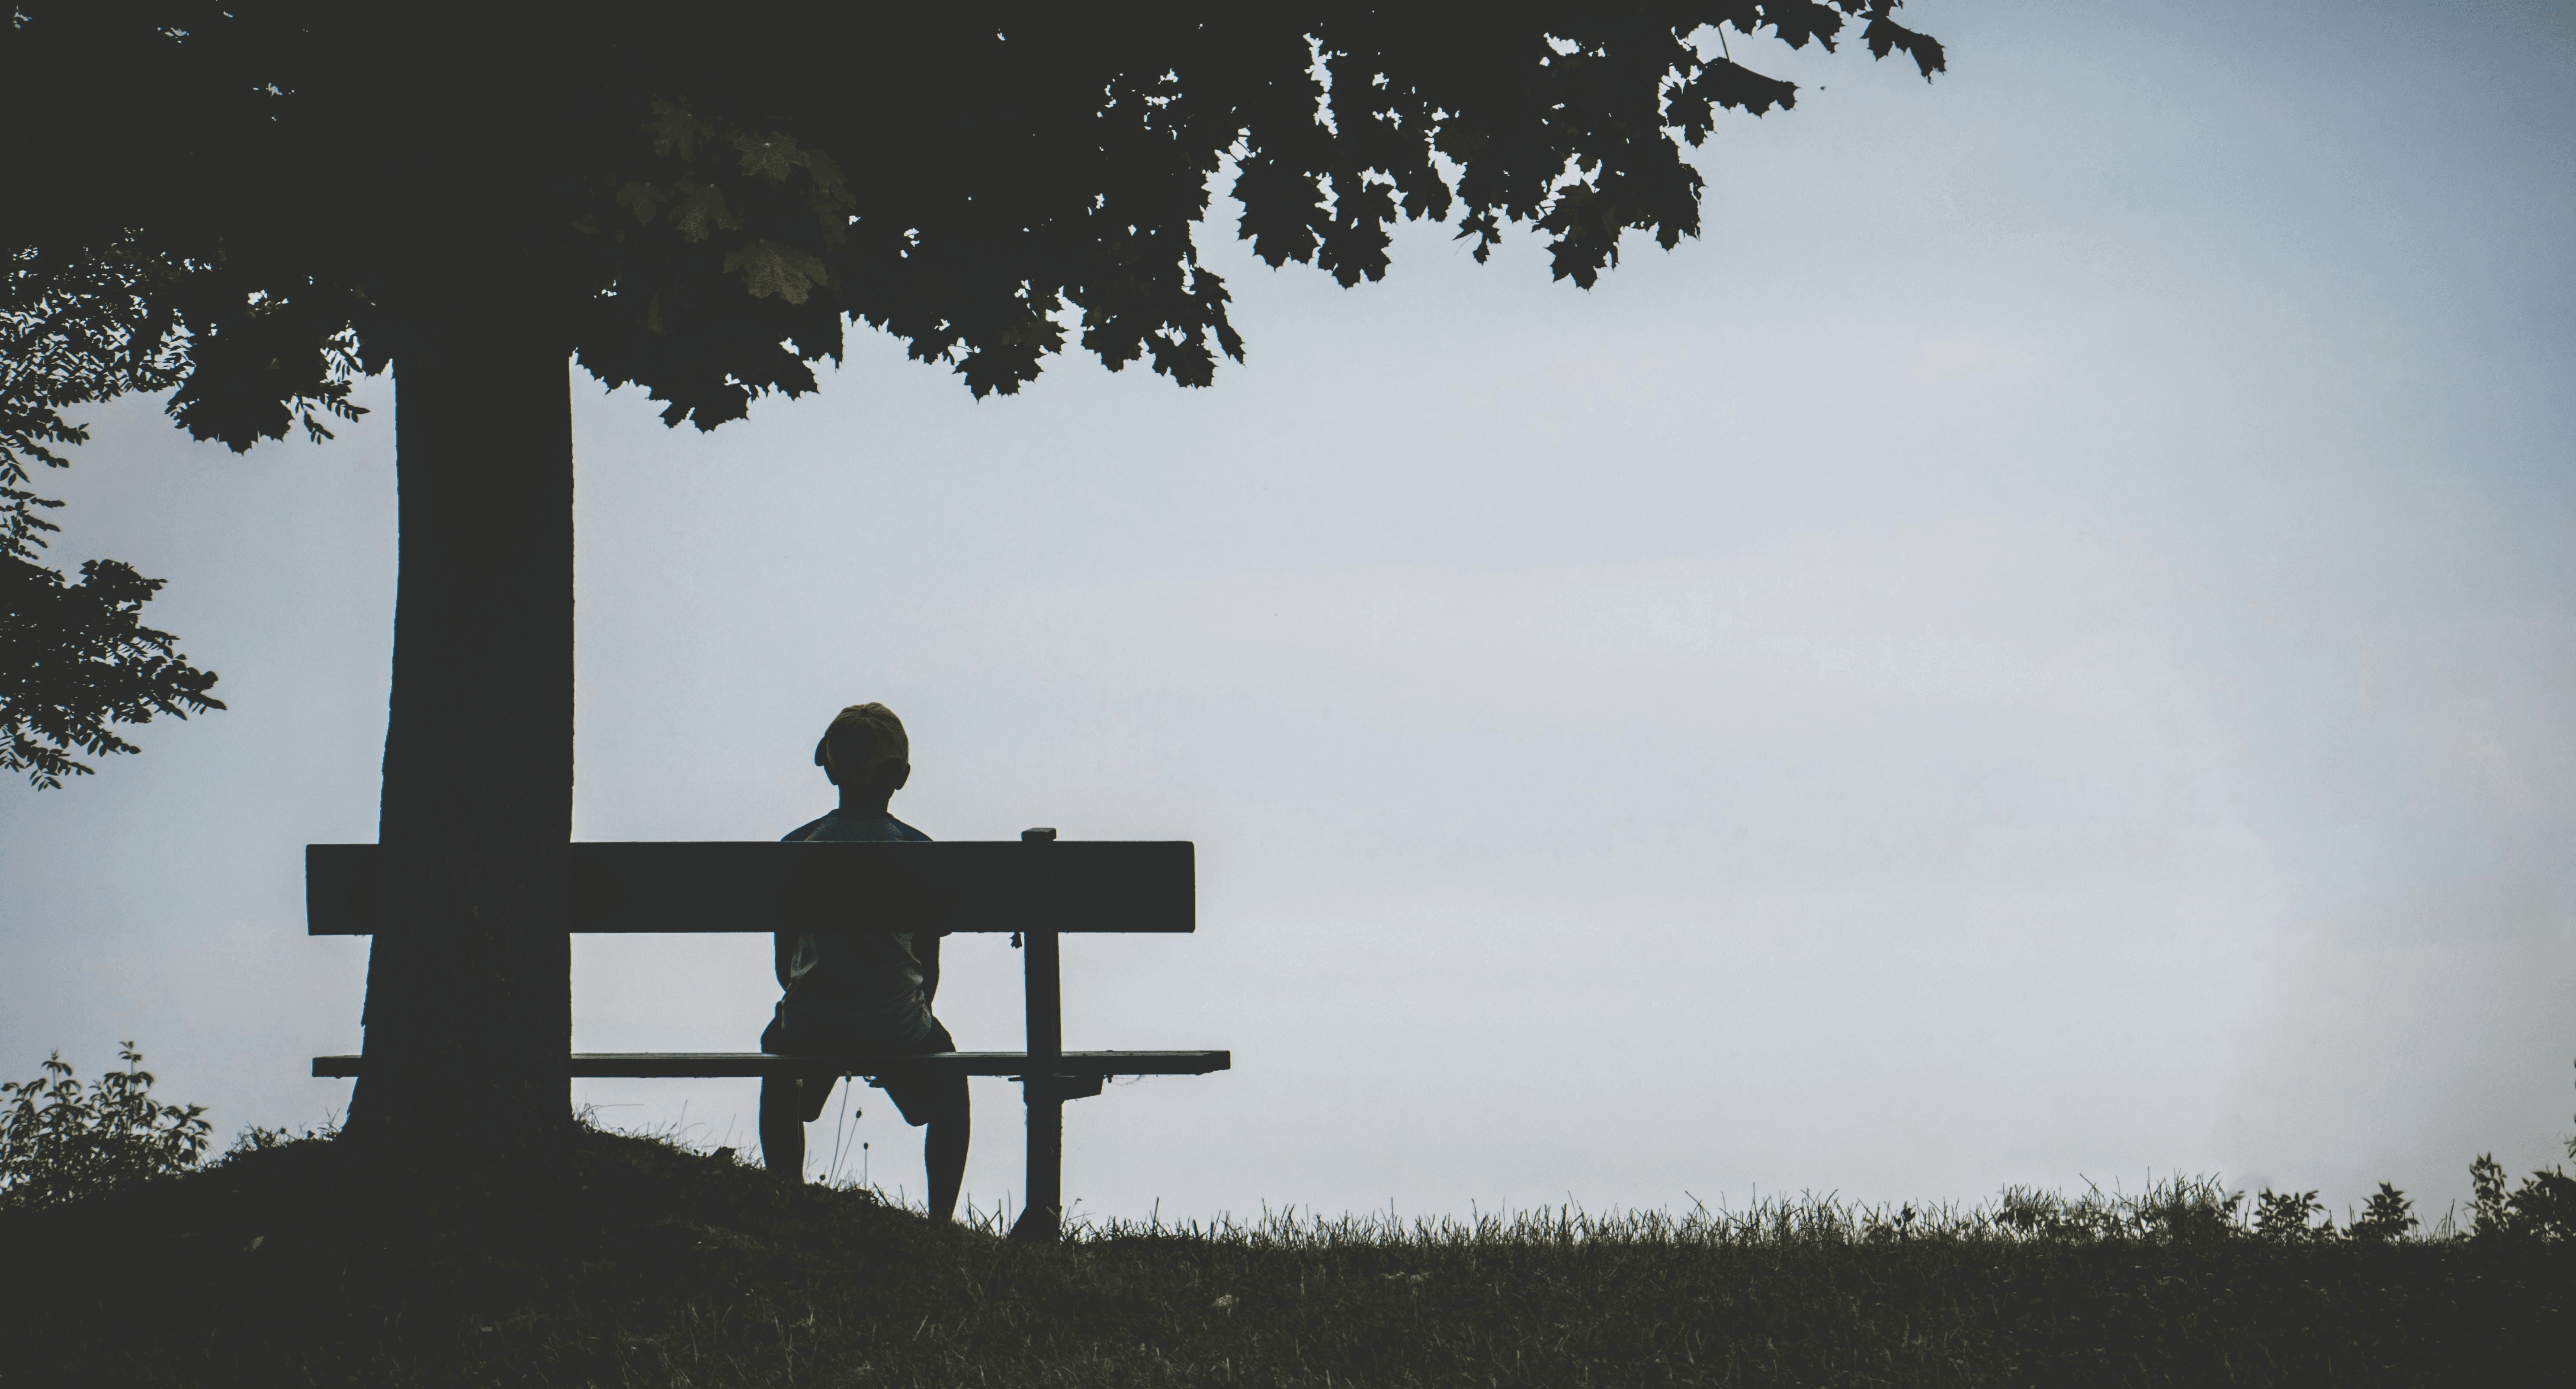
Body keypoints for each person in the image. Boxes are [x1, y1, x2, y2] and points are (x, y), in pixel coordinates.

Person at [758, 701, 969, 1219]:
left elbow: (785, 966)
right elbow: (929, 968)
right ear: (900, 776)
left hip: (812, 1024)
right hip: (896, 1023)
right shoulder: (920, 853)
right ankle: (940, 1221)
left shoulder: (797, 848)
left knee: (778, 1049)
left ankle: (786, 1195)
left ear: (829, 768)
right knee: (950, 1083)